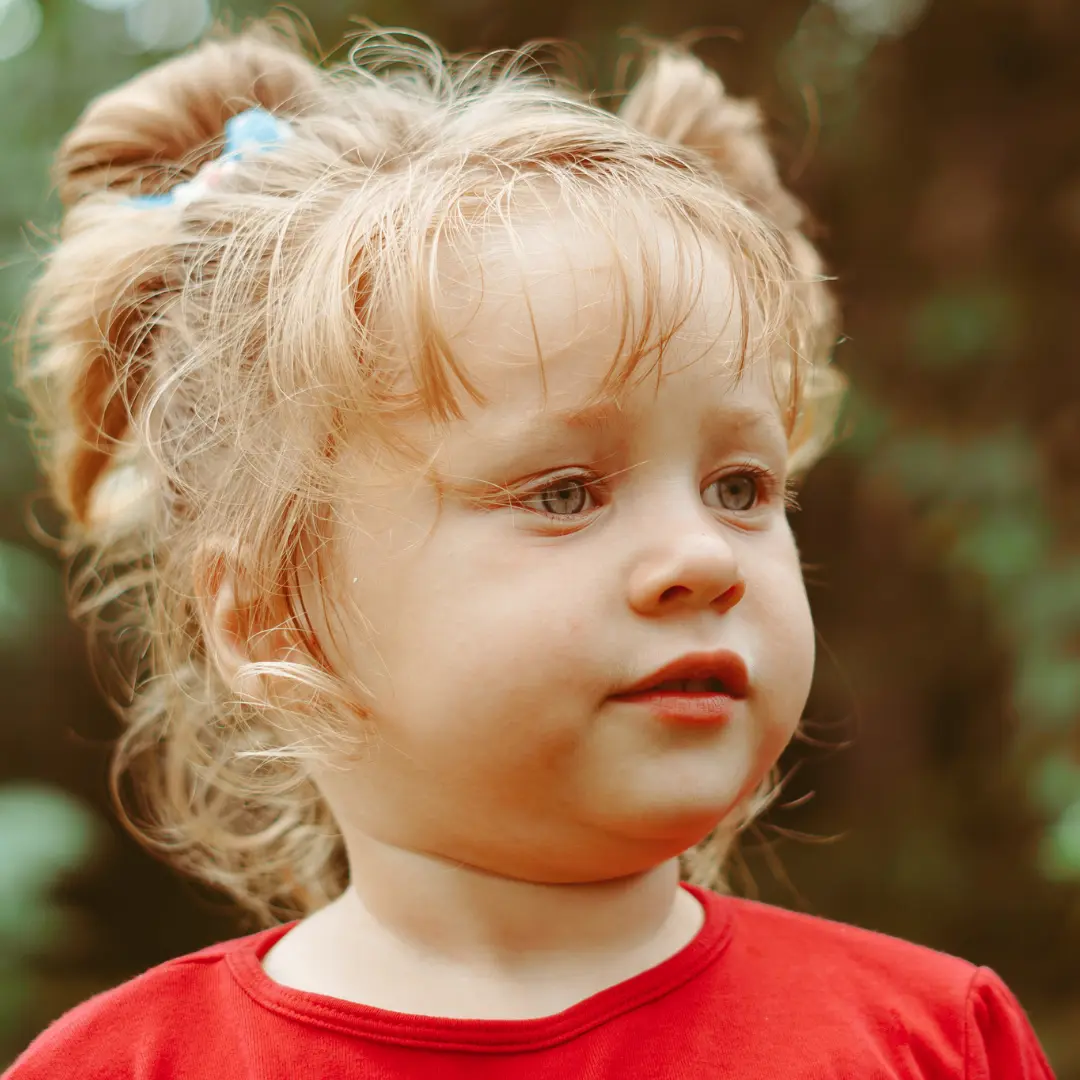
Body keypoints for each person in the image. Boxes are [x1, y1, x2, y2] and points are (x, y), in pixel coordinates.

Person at [4, 15, 1055, 1079]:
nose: (706, 557)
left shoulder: (930, 1039)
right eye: (563, 491)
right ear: (277, 615)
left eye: (741, 486)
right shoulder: (127, 1067)